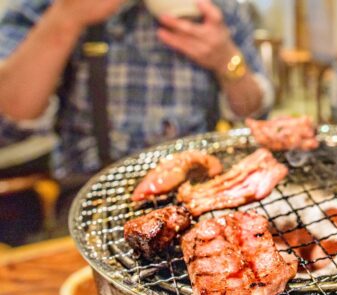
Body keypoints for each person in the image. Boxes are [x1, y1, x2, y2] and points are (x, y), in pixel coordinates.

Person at [0, 0, 273, 179]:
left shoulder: (222, 6)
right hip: (90, 192)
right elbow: (9, 116)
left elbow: (254, 108)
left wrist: (225, 59)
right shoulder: (43, 5)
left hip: (199, 181)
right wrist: (66, 16)